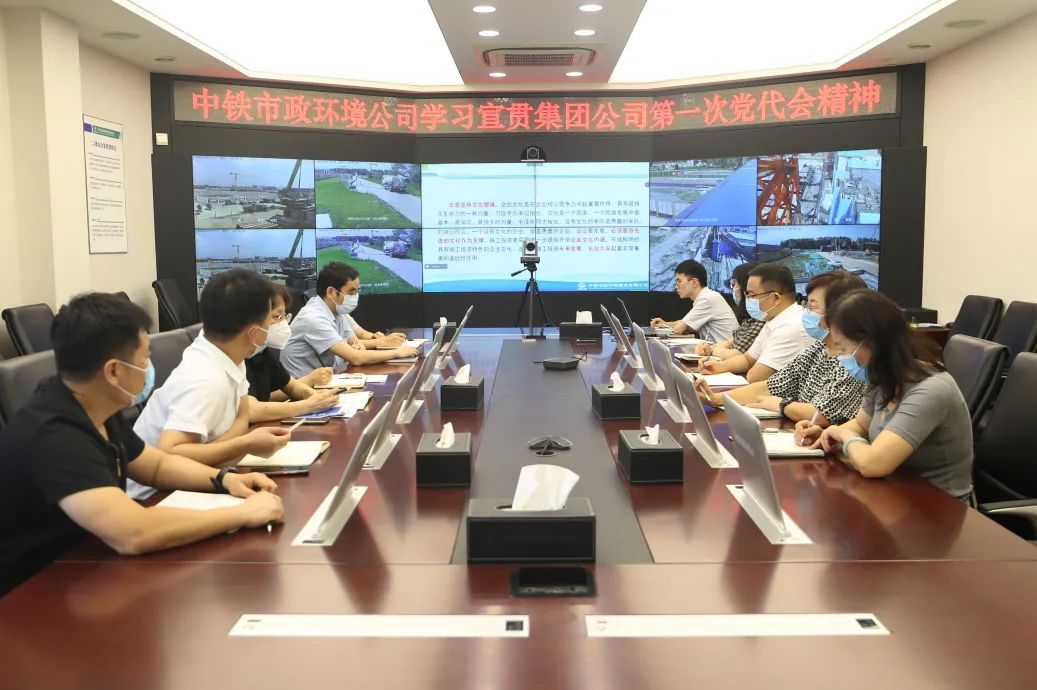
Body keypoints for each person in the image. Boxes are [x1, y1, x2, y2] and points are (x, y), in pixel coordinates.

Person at [0, 293, 283, 597]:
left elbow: (156, 466)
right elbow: (133, 532)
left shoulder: (94, 403)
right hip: (32, 591)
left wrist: (225, 480)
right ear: (113, 371)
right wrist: (243, 514)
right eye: (144, 360)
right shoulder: (55, 434)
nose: (150, 369)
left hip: (87, 567)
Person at [795, 289, 974, 500]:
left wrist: (843, 435)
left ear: (871, 342)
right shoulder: (881, 377)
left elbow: (873, 464)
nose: (842, 358)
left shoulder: (931, 389)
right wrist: (826, 435)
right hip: (892, 493)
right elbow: (861, 425)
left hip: (937, 507)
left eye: (843, 350)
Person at [134, 269, 292, 476]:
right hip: (160, 489)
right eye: (271, 320)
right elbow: (169, 454)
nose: (275, 326)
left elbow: (242, 416)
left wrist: (230, 446)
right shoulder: (206, 379)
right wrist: (243, 444)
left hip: (207, 471)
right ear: (254, 333)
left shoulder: (230, 355)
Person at [696, 270, 867, 426]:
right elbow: (770, 386)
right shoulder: (819, 348)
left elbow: (822, 414)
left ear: (842, 312)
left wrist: (782, 405)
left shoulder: (854, 360)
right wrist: (716, 398)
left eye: (813, 306)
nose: (807, 312)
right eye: (807, 304)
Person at [279, 262, 418, 378]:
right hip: (303, 390)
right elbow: (356, 357)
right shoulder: (313, 319)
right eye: (351, 292)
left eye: (357, 291)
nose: (355, 296)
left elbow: (356, 343)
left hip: (327, 382)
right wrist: (397, 352)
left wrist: (359, 347)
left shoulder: (337, 311)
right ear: (331, 292)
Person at [700, 263, 812, 383]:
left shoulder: (790, 327)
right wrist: (718, 366)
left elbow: (755, 377)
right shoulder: (773, 319)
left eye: (752, 295)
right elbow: (747, 359)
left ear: (775, 298)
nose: (748, 300)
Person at [245, 282, 340, 423]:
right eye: (277, 317)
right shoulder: (234, 356)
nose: (283, 323)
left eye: (284, 316)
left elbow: (291, 385)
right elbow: (250, 410)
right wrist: (308, 406)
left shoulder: (260, 350)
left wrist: (316, 397)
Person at [649, 259, 738, 343]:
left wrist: (669, 326)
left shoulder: (707, 299)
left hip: (726, 351)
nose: (676, 286)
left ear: (694, 282)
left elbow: (678, 329)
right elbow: (687, 324)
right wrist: (665, 324)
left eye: (679, 281)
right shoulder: (707, 296)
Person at [695, 261, 764, 361]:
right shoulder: (749, 320)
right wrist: (712, 348)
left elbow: (736, 354)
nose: (733, 290)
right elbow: (729, 342)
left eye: (733, 284)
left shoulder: (760, 321)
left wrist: (711, 350)